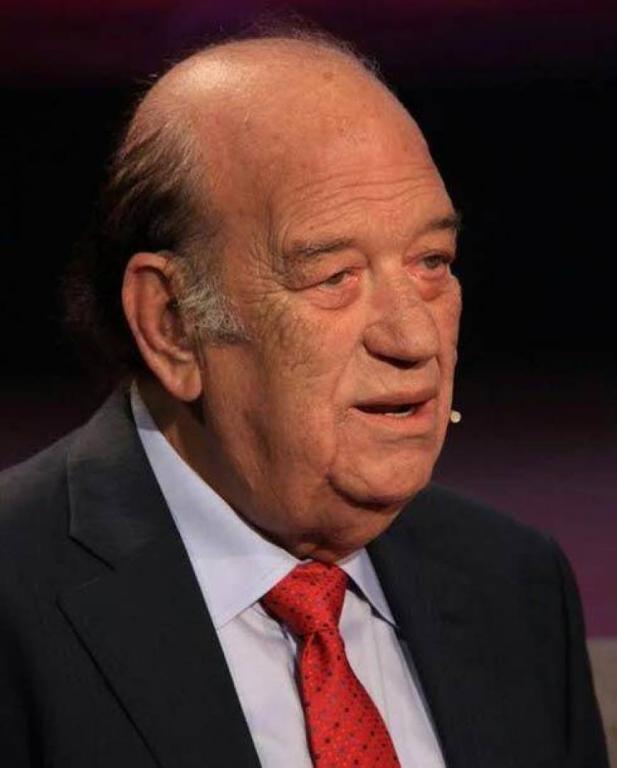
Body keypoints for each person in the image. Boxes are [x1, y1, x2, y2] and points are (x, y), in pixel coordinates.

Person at [0, 32, 608, 768]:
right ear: (173, 324)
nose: (414, 337)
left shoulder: (515, 585)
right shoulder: (16, 601)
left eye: (431, 262)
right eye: (334, 277)